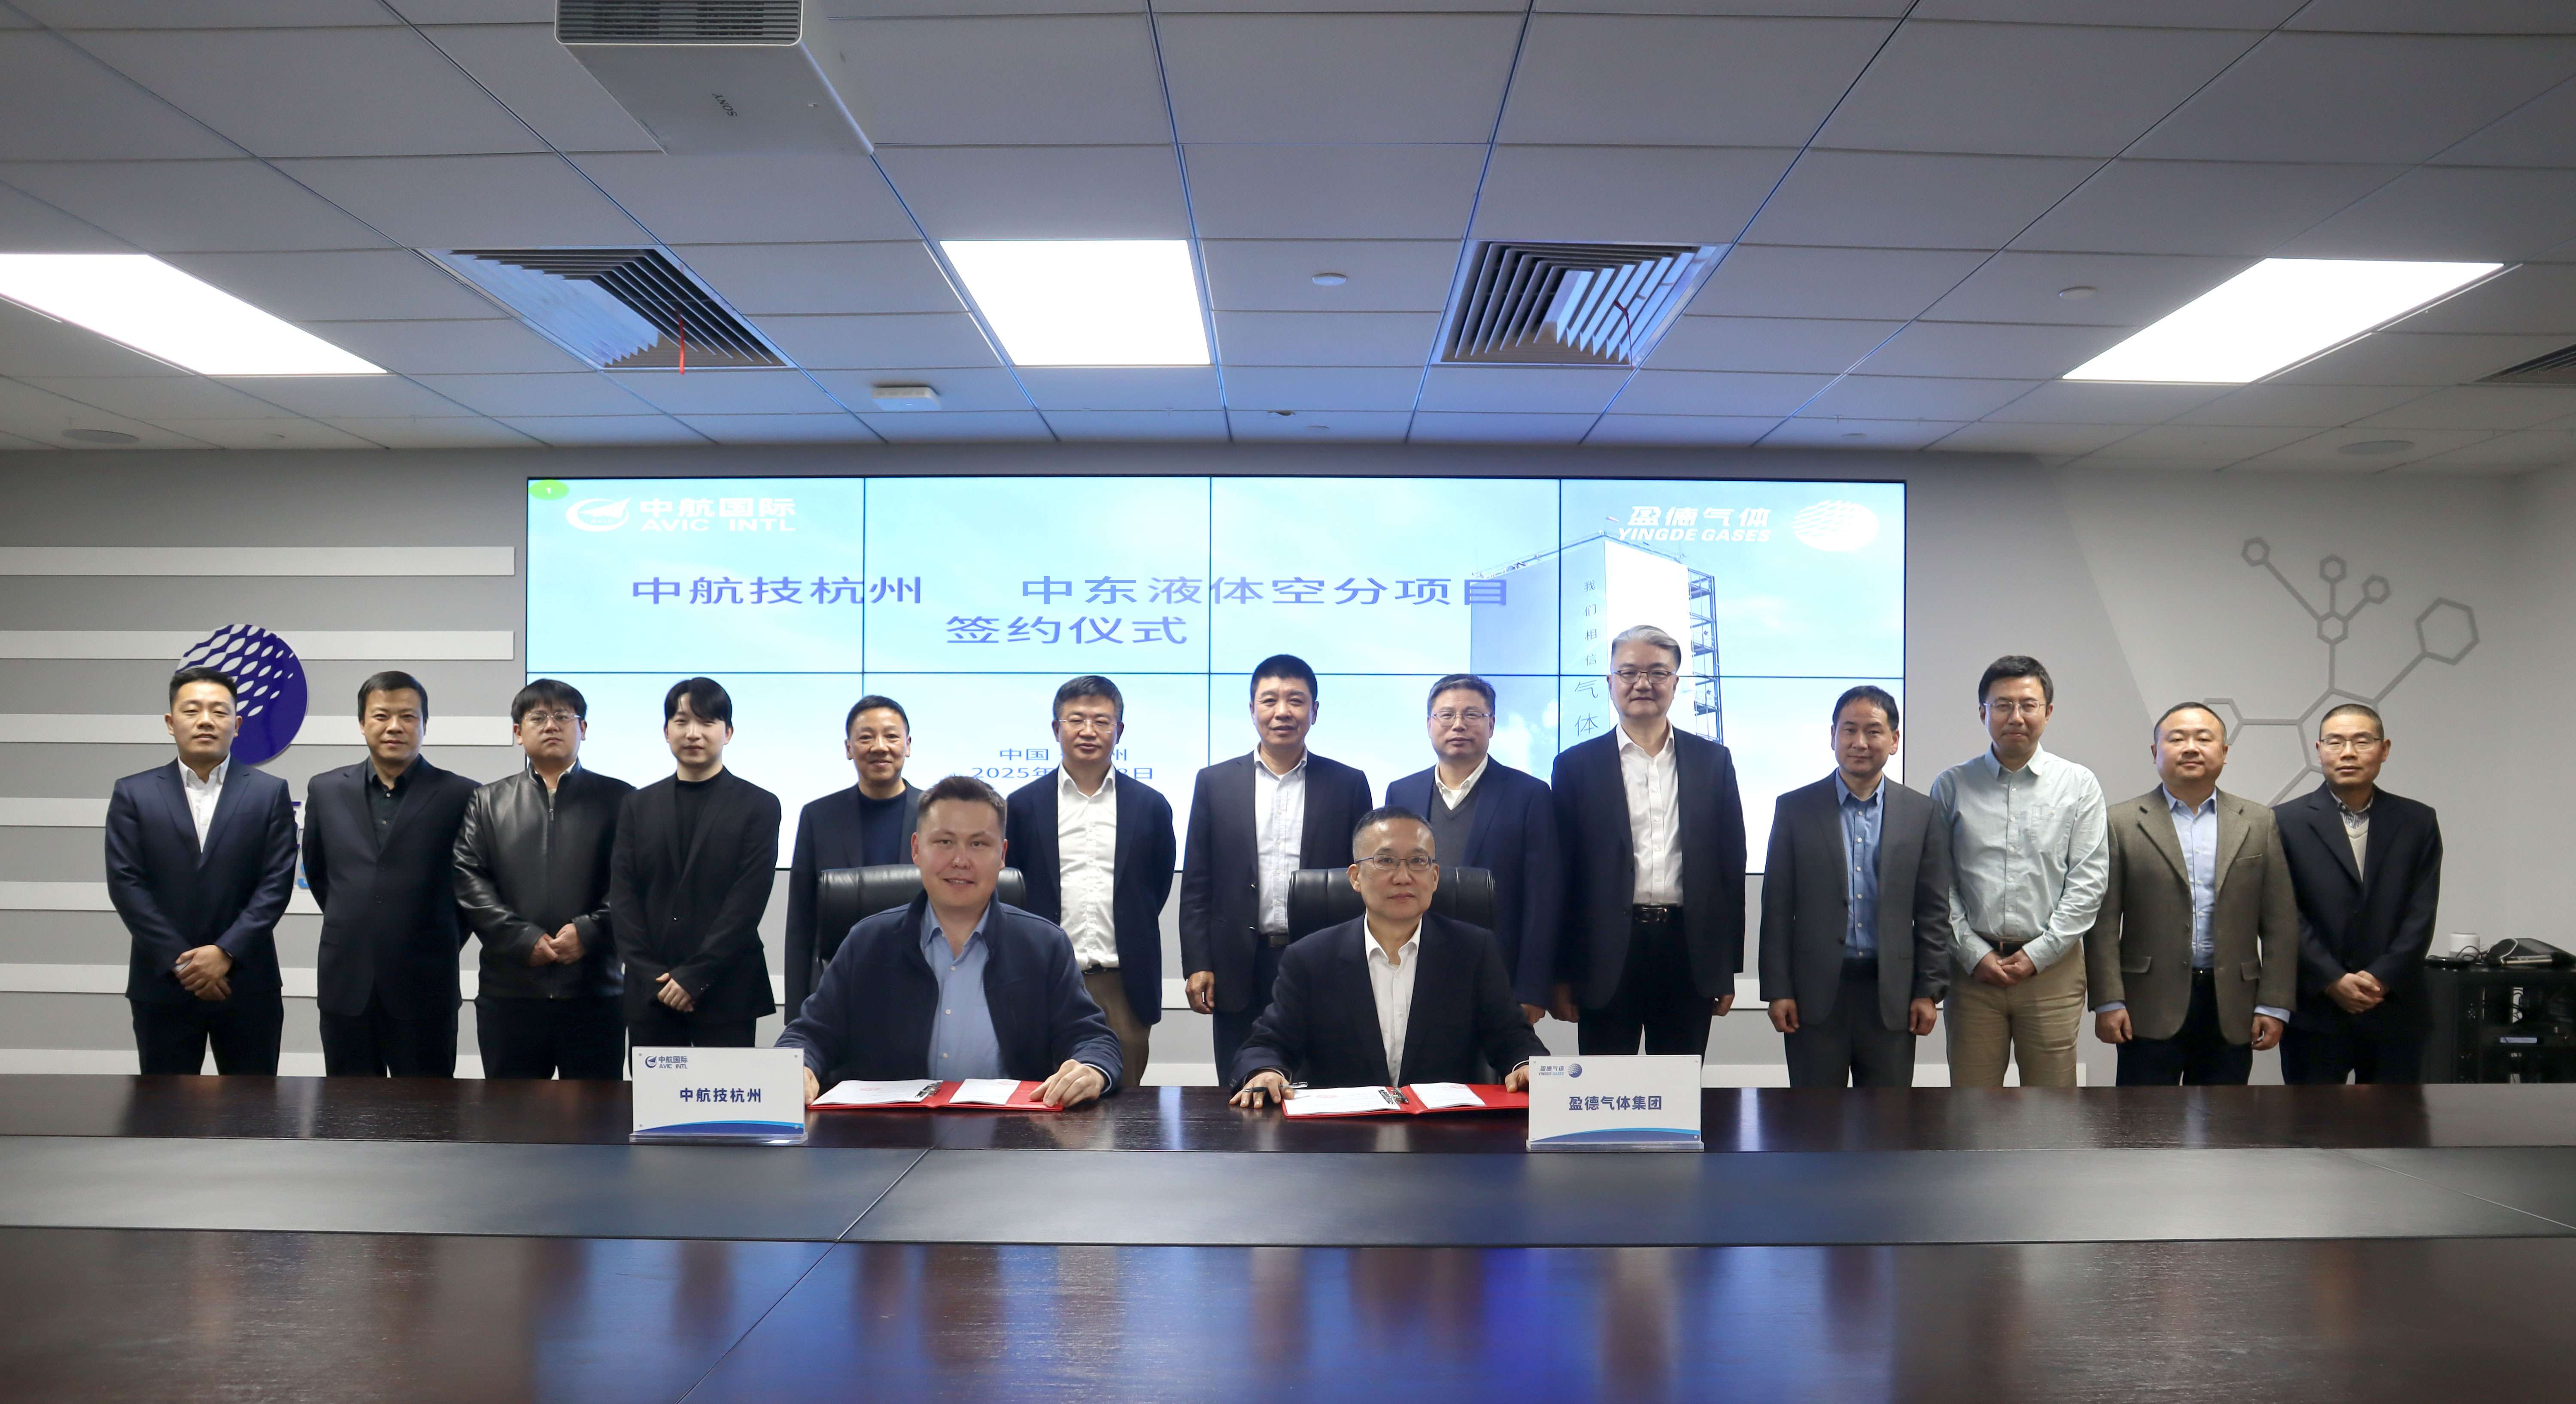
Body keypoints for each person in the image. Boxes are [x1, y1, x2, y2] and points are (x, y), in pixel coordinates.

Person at [781, 774, 1119, 1107]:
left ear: (1003, 854)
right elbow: (809, 1034)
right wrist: (798, 1067)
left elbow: (1092, 1039)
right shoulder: (868, 942)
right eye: (945, 842)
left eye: (978, 844)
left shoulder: (1044, 945)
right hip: (890, 1134)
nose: (960, 860)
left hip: (1013, 1134)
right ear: (917, 849)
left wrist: (1090, 1069)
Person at [1230, 807, 1547, 1105]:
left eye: (1418, 861)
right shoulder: (1310, 958)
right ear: (1355, 877)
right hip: (1341, 1134)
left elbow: (1512, 1038)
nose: (1403, 876)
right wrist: (1265, 1071)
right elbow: (1267, 1044)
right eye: (1386, 861)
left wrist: (1525, 1066)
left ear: (1435, 877)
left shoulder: (1473, 951)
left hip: (1446, 1132)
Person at [1549, 625, 1747, 1057]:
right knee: (1605, 1087)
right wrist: (1561, 973)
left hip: (1687, 951)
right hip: (1604, 954)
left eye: (1658, 672)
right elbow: (1562, 875)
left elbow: (1730, 869)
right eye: (1629, 672)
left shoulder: (1713, 762)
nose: (1643, 683)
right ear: (1610, 682)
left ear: (1675, 683)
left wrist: (1726, 967)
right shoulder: (1575, 766)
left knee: (1677, 1087)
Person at [1180, 655, 1374, 1079]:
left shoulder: (1348, 784)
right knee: (1240, 1086)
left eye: (1296, 701)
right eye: (1269, 700)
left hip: (1324, 961)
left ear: (1314, 711)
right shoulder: (1214, 783)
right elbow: (1197, 884)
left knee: (1322, 1087)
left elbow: (1364, 882)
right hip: (1238, 964)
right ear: (1252, 710)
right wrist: (1197, 962)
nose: (1282, 711)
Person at [2085, 703, 2297, 1086]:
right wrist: (2109, 1000)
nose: (2191, 747)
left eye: (2203, 738)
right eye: (2177, 738)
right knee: (2144, 1118)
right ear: (2156, 752)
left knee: (2224, 1119)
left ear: (2225, 752)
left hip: (2232, 1002)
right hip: (2147, 1003)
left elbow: (2280, 923)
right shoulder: (2120, 821)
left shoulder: (2258, 821)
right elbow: (2103, 923)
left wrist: (2274, 1003)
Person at [103, 665, 299, 1075]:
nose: (206, 720)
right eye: (192, 710)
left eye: (219, 711)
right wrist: (183, 964)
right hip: (163, 983)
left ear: (237, 724)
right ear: (170, 722)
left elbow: (276, 884)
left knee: (253, 1109)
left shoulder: (269, 792)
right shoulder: (134, 793)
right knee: (164, 1109)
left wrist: (226, 952)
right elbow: (126, 884)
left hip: (247, 982)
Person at [1757, 685, 1951, 1088]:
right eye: (1849, 730)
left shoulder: (1921, 812)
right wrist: (1778, 990)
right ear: (1833, 736)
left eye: (1873, 731)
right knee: (1814, 1118)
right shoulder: (1795, 809)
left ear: (1894, 740)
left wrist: (1929, 990)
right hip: (1814, 998)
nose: (1860, 742)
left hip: (1891, 997)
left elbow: (1933, 911)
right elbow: (1777, 907)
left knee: (1889, 1118)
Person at [1929, 655, 2108, 1088]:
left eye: (2029, 705)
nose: (2016, 716)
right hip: (1973, 973)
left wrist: (2038, 954)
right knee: (1972, 1106)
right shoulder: (1951, 785)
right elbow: (1938, 884)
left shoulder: (2079, 784)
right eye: (2003, 705)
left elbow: (2088, 883)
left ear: (2048, 711)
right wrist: (1973, 953)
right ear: (1983, 712)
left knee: (2051, 1109)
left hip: (2052, 972)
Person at [451, 679, 633, 1080]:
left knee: (594, 1115)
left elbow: (633, 883)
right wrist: (521, 938)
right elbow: (469, 879)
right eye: (538, 717)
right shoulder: (487, 801)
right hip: (510, 993)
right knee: (510, 1115)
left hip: (594, 992)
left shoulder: (622, 799)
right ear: (518, 732)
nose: (551, 725)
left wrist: (590, 931)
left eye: (562, 716)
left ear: (583, 728)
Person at [302, 670, 480, 1077]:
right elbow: (319, 873)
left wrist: (436, 936)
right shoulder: (325, 790)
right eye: (381, 716)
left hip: (426, 983)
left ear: (425, 724)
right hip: (346, 982)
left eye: (408, 716)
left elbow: (471, 887)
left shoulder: (462, 794)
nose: (394, 726)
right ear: (362, 722)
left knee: (428, 1110)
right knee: (348, 1109)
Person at [1004, 676, 1176, 1086]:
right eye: (1076, 719)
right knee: (1040, 1098)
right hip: (1044, 979)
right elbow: (1012, 890)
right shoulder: (1022, 805)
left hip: (1123, 984)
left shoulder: (1150, 805)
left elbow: (1155, 887)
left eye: (1102, 721)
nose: (1088, 731)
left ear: (1119, 730)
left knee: (1125, 1103)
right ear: (1056, 728)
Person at [2274, 703, 2443, 1084]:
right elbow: (2284, 912)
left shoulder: (2417, 820)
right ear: (2319, 749)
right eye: (2336, 742)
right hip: (2316, 1008)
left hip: (2395, 1007)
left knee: (2395, 1121)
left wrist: (2382, 977)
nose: (2348, 752)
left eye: (2362, 741)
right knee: (2311, 1121)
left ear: (2384, 749)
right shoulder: (2284, 821)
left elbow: (2422, 911)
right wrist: (2332, 979)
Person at [609, 677, 780, 1049]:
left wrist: (694, 976)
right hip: (652, 994)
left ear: (728, 732)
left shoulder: (759, 805)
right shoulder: (637, 805)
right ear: (666, 731)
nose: (693, 733)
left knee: (725, 1089)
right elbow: (623, 899)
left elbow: (746, 904)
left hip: (726, 991)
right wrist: (655, 977)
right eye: (682, 721)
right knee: (652, 1091)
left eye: (707, 722)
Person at [1384, 673, 1562, 1024]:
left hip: (1498, 973)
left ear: (1492, 724)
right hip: (1412, 968)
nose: (1459, 725)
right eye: (1446, 715)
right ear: (1429, 724)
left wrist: (1532, 987)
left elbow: (1543, 899)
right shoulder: (1401, 792)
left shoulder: (1529, 794)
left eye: (1472, 715)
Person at [783, 694, 920, 1015]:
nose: (879, 747)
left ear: (908, 745)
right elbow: (801, 924)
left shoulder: (937, 815)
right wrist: (796, 1016)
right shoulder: (818, 816)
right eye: (866, 737)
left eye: (891, 736)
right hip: (839, 993)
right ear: (849, 748)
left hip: (921, 988)